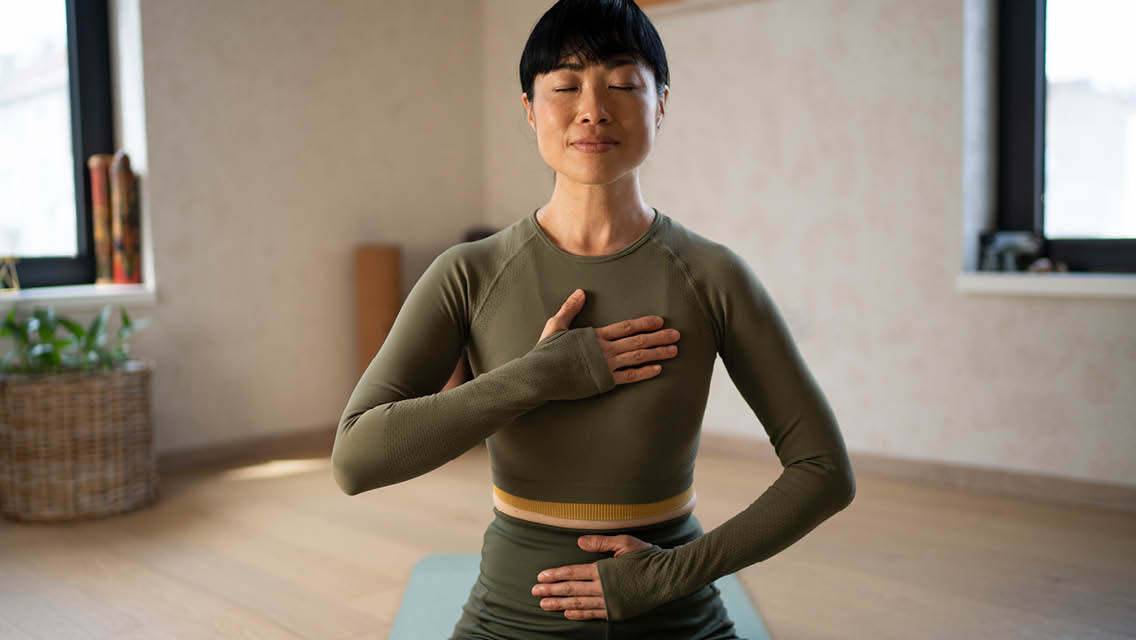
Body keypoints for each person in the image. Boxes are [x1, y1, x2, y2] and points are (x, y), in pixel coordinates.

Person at [330, 1, 856, 638]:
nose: (592, 108)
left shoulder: (715, 275)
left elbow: (824, 470)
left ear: (661, 102)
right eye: (565, 85)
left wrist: (671, 574)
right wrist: (536, 378)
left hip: (676, 611)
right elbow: (355, 459)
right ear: (529, 109)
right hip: (510, 616)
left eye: (623, 84)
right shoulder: (467, 272)